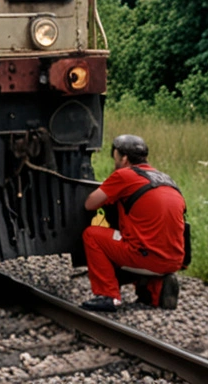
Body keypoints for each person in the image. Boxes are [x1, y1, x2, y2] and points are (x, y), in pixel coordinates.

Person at [80, 134, 187, 312]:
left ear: (124, 158)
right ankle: (156, 288)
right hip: (174, 260)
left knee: (93, 235)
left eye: (115, 157)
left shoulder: (124, 175)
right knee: (139, 234)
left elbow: (90, 203)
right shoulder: (165, 179)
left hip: (144, 257)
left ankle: (108, 295)